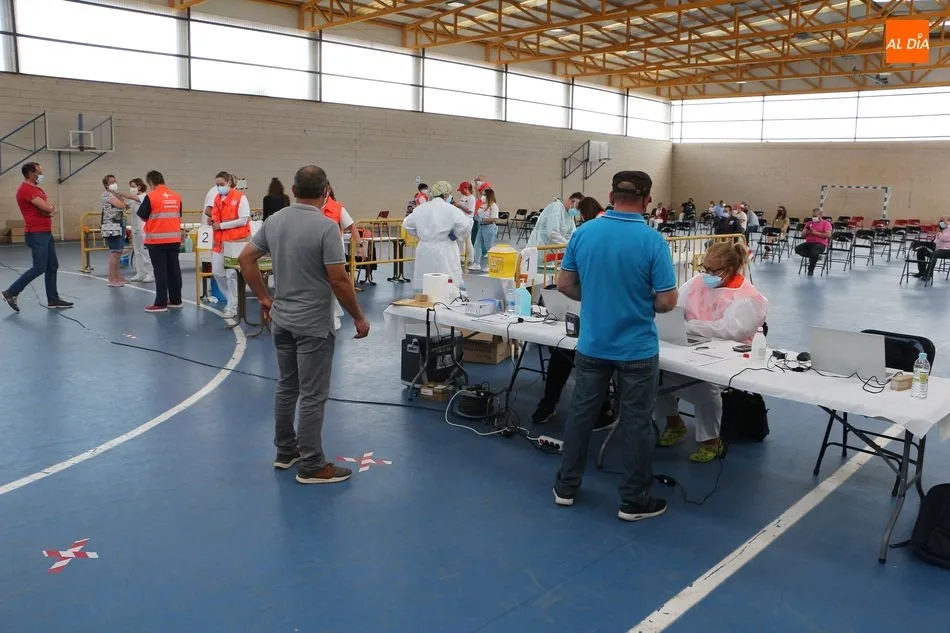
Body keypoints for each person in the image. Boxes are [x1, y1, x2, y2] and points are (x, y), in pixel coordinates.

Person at [554, 170, 678, 522]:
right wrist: (639, 302)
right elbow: (668, 301)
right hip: (636, 349)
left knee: (581, 415)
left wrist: (595, 296)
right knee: (636, 423)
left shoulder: (584, 232)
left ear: (610, 196)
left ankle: (566, 487)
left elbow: (564, 284)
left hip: (593, 344)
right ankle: (633, 501)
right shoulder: (652, 241)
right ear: (647, 201)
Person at [238, 164, 370, 485]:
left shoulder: (274, 221)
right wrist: (358, 316)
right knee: (312, 395)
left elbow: (246, 259)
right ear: (325, 192)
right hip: (313, 325)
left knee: (287, 386)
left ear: (294, 191)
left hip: (282, 321)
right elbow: (338, 279)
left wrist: (264, 298)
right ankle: (311, 464)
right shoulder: (327, 228)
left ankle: (286, 451)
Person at [656, 242, 768, 463]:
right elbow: (675, 306)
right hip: (692, 347)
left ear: (730, 269)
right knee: (656, 373)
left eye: (712, 270)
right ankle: (674, 422)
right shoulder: (696, 283)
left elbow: (732, 331)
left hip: (729, 356)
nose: (706, 274)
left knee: (705, 386)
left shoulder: (748, 297)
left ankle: (711, 440)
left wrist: (689, 326)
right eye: (704, 267)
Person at [2, 162, 72, 312]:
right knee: (39, 267)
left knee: (52, 266)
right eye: (39, 172)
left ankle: (53, 299)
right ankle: (11, 292)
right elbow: (47, 207)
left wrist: (49, 209)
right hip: (36, 234)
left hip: (45, 232)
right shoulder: (26, 190)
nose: (41, 174)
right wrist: (49, 209)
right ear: (30, 173)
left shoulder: (37, 189)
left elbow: (50, 207)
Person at [403, 181, 472, 290]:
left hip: (425, 248)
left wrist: (421, 235)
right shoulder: (451, 209)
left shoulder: (420, 209)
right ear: (446, 194)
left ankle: (424, 297)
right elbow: (465, 225)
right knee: (447, 282)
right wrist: (454, 236)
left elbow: (407, 224)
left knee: (425, 283)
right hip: (445, 248)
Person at [137, 170, 183, 313]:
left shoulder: (151, 196)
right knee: (174, 270)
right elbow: (178, 214)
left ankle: (160, 303)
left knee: (160, 272)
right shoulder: (176, 196)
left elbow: (142, 215)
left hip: (157, 241)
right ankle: (176, 300)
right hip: (174, 239)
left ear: (151, 182)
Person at [211, 170, 251, 320]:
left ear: (229, 183)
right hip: (220, 241)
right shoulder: (217, 198)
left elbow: (243, 220)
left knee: (231, 274)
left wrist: (221, 225)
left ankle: (232, 306)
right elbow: (215, 215)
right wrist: (212, 221)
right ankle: (232, 299)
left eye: (221, 184)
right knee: (217, 272)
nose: (219, 187)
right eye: (217, 185)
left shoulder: (241, 198)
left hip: (235, 241)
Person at [100, 174, 129, 288]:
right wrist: (122, 201)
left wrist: (118, 195)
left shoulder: (115, 194)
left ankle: (118, 276)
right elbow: (121, 205)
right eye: (111, 182)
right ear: (106, 185)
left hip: (120, 224)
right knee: (114, 252)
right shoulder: (106, 194)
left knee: (119, 252)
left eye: (115, 181)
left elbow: (125, 205)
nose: (114, 184)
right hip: (111, 226)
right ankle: (112, 279)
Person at [122, 178, 153, 283]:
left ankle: (150, 274)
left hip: (143, 229)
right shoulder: (133, 199)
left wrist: (119, 193)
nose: (131, 188)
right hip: (135, 229)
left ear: (139, 187)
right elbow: (124, 206)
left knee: (145, 252)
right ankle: (140, 273)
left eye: (133, 186)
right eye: (130, 186)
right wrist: (116, 197)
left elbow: (132, 197)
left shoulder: (144, 197)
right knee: (137, 252)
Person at [795, 208, 832, 276]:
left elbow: (828, 235)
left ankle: (810, 270)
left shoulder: (826, 223)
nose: (813, 217)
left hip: (820, 244)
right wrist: (805, 233)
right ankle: (816, 256)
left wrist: (815, 233)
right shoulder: (809, 223)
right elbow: (803, 235)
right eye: (813, 216)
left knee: (814, 251)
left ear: (820, 215)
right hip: (809, 243)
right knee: (797, 249)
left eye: (815, 216)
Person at [471, 188, 500, 268]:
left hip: (489, 228)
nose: (482, 196)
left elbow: (494, 219)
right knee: (477, 245)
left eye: (484, 194)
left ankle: (491, 265)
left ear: (488, 195)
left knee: (489, 247)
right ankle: (476, 263)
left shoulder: (493, 206)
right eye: (482, 194)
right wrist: (476, 216)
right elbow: (479, 214)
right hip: (481, 227)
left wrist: (483, 219)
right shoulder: (483, 205)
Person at [455, 181, 478, 270]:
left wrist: (460, 206)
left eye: (462, 190)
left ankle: (471, 258)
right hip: (461, 220)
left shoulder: (471, 198)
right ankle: (461, 257)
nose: (461, 192)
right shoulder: (463, 197)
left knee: (467, 240)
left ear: (466, 189)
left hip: (468, 220)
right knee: (460, 240)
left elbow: (470, 211)